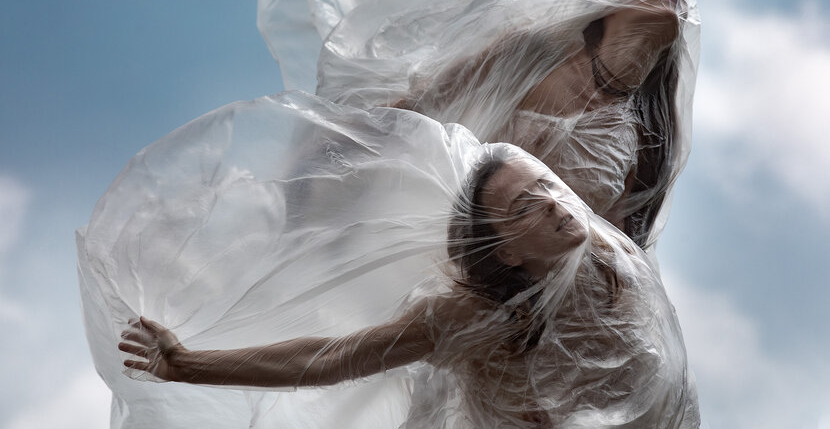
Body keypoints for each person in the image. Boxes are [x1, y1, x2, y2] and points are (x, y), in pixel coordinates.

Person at [257, 0, 700, 249]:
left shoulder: (648, 131)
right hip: (452, 258)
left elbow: (624, 245)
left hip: (543, 302)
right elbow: (420, 103)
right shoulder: (536, 50)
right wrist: (318, 166)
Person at [118, 144, 699, 428]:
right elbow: (332, 358)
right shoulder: (471, 316)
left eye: (547, 185)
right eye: (524, 206)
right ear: (505, 251)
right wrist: (187, 365)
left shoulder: (610, 254)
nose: (554, 203)